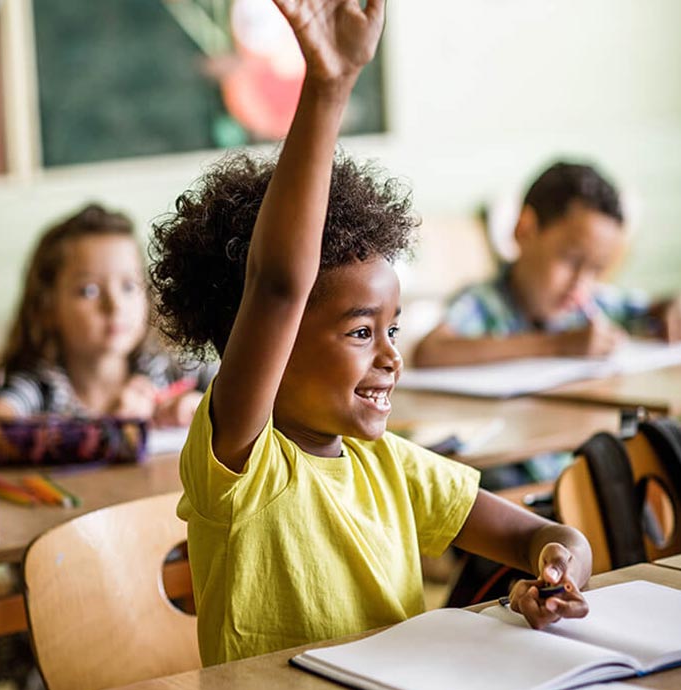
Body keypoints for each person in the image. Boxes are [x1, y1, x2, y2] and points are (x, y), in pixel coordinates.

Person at [149, 0, 592, 667]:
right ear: (267, 342)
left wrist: (560, 569)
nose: (391, 355)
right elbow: (277, 284)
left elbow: (549, 535)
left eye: (393, 328)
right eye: (361, 332)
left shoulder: (389, 466)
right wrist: (329, 88)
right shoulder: (241, 466)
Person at [413, 161, 681, 368]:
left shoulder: (590, 304)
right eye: (571, 260)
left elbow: (649, 310)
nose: (581, 282)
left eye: (597, 269)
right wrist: (559, 345)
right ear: (525, 230)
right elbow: (430, 351)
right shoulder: (485, 303)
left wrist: (668, 308)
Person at [0, 203, 211, 426]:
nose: (115, 305)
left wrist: (200, 405)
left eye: (128, 286)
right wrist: (106, 429)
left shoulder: (170, 369)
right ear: (46, 307)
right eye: (89, 290)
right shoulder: (39, 386)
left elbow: (240, 385)